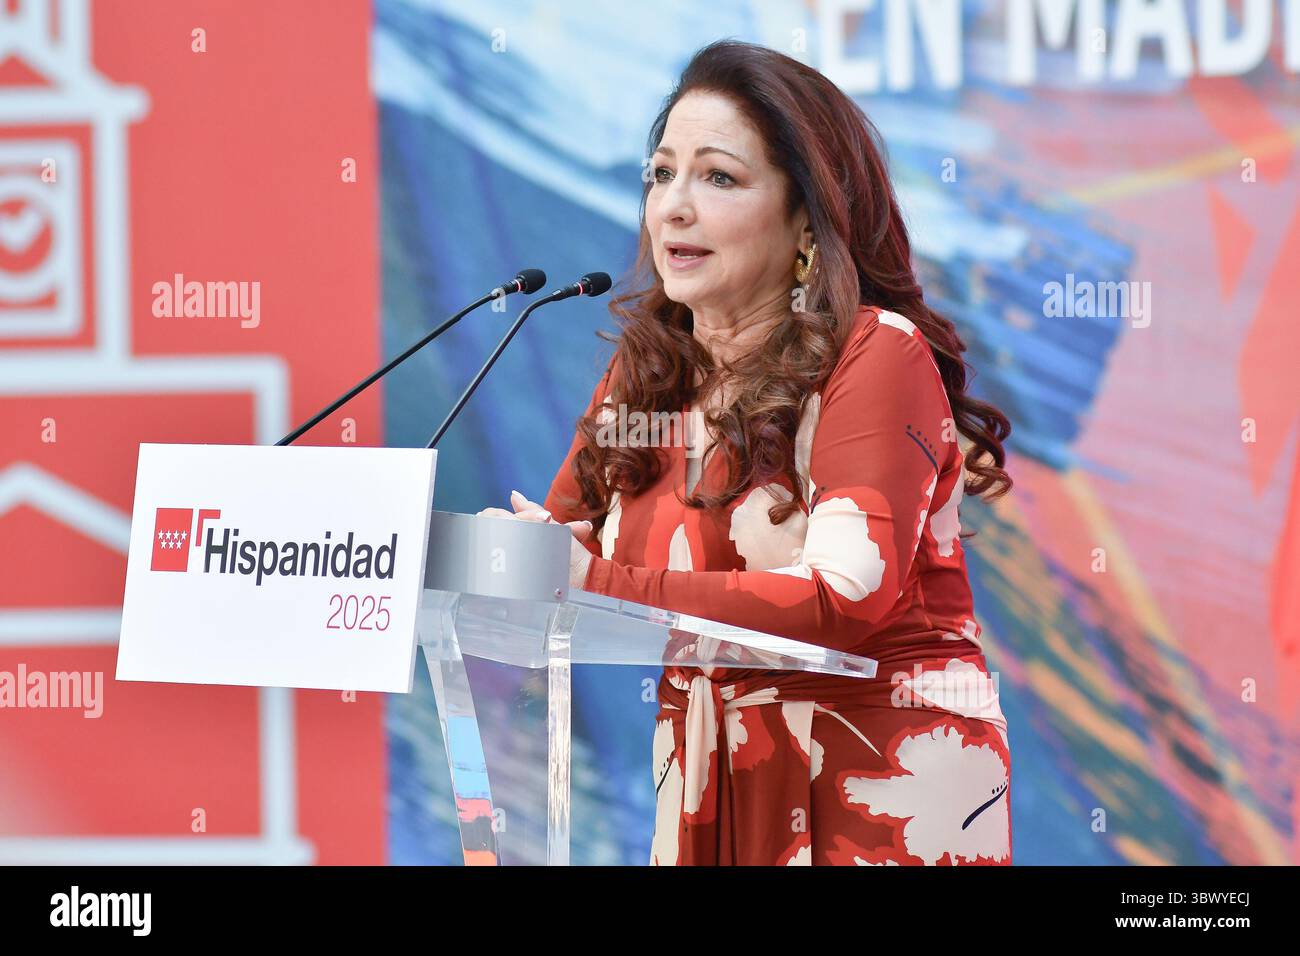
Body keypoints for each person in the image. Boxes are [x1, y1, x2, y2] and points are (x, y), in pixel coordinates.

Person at [481, 39, 1014, 866]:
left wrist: (593, 580)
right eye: (661, 174)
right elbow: (560, 550)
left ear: (807, 216)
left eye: (718, 178)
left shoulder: (876, 356)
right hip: (705, 785)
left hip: (877, 790)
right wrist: (492, 562)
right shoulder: (648, 372)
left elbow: (842, 600)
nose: (672, 208)